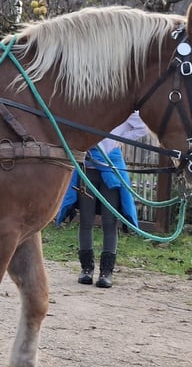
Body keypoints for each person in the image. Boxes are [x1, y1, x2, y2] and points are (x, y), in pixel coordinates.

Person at [56, 111, 149, 288]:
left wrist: (119, 139)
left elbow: (142, 127)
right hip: (87, 167)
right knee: (86, 220)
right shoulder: (94, 105)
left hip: (111, 168)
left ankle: (106, 272)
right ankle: (86, 269)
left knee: (109, 221)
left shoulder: (124, 110)